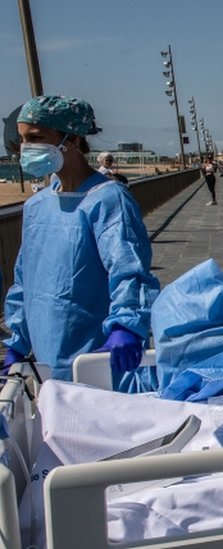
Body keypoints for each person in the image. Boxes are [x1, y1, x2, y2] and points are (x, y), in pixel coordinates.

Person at [3, 95, 160, 382]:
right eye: (23, 140)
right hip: (45, 361)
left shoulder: (109, 200)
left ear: (72, 140)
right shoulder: (36, 206)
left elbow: (130, 270)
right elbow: (25, 280)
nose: (26, 148)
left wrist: (126, 325)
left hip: (98, 357)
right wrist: (17, 341)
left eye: (36, 137)